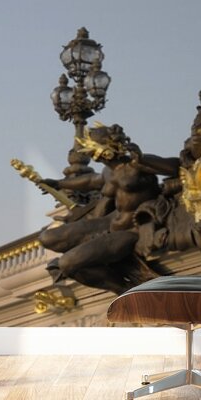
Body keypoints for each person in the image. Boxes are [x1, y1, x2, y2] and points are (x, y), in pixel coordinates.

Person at [38, 123, 180, 294]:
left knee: (67, 263)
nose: (88, 154)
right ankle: (95, 255)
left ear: (103, 149)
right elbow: (90, 181)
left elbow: (176, 166)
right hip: (109, 222)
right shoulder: (108, 172)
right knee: (47, 237)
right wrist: (59, 183)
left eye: (90, 149)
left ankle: (124, 290)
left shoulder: (137, 165)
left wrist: (143, 159)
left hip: (132, 230)